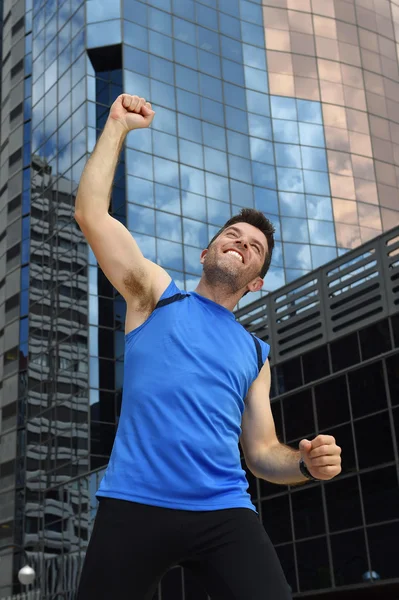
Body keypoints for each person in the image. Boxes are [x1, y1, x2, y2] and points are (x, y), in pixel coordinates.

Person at [74, 94, 342, 600]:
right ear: (206, 252)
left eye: (254, 247)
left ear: (256, 282)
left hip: (222, 510)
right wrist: (116, 127)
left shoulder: (255, 354)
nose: (240, 242)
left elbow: (261, 453)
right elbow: (90, 213)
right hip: (135, 502)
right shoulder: (154, 295)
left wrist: (305, 464)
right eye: (231, 234)